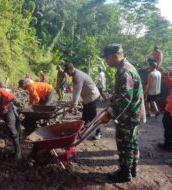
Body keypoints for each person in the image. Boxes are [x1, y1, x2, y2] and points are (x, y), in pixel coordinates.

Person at [101, 44, 146, 182]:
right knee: (132, 143)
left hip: (129, 115)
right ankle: (132, 169)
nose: (106, 61)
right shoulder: (126, 67)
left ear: (115, 56)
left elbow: (125, 98)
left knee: (124, 144)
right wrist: (112, 99)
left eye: (107, 58)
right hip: (135, 113)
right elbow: (123, 93)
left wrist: (109, 114)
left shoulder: (124, 72)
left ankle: (124, 174)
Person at [63, 62, 100, 128]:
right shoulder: (75, 75)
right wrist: (73, 103)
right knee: (85, 116)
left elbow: (77, 91)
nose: (67, 74)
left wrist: (74, 105)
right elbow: (75, 90)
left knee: (92, 116)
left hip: (92, 96)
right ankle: (82, 129)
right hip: (87, 97)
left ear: (71, 69)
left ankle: (98, 132)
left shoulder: (78, 76)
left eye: (67, 71)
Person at [157, 76, 172, 151]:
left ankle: (168, 145)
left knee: (169, 128)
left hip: (170, 112)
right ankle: (167, 144)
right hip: (168, 109)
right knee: (167, 127)